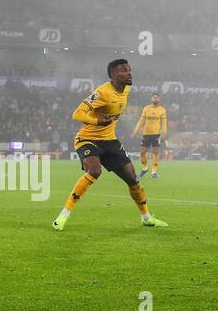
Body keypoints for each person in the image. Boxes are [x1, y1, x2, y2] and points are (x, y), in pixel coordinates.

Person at [52, 59, 167, 231]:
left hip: (110, 141)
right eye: (124, 70)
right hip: (88, 139)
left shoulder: (126, 88)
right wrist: (97, 121)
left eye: (129, 69)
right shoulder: (102, 92)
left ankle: (146, 218)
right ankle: (63, 215)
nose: (129, 73)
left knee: (133, 180)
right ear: (113, 75)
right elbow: (77, 114)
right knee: (95, 171)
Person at [132, 92, 168, 179]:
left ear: (159, 99)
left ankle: (154, 172)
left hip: (156, 134)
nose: (155, 99)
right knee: (142, 152)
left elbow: (164, 123)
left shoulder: (162, 110)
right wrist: (135, 131)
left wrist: (164, 133)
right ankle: (145, 168)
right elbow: (141, 121)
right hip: (146, 134)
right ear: (151, 99)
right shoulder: (146, 108)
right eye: (154, 97)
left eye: (157, 98)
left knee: (155, 152)